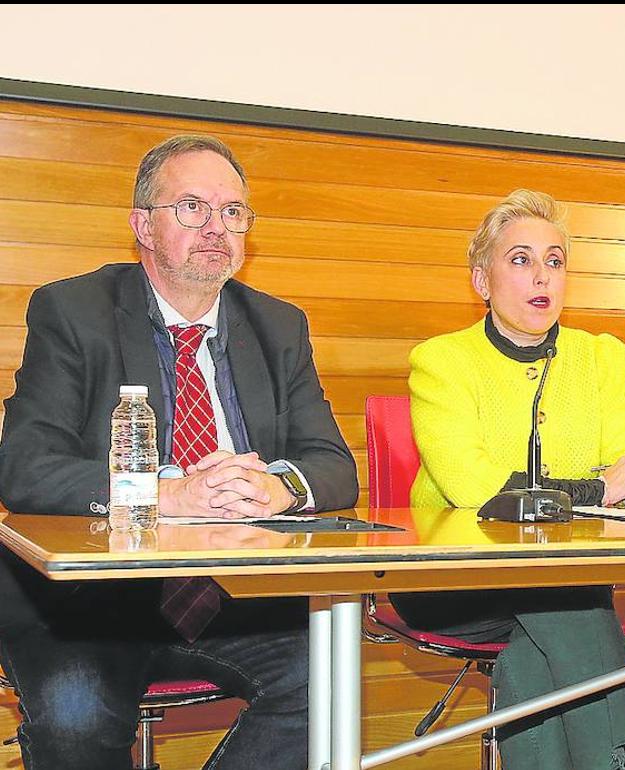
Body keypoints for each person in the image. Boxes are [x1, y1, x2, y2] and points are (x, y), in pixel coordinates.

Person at [0, 134, 359, 770]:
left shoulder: (278, 326)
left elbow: (332, 464)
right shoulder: (73, 311)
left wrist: (280, 487)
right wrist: (165, 494)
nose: (216, 227)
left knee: (328, 681)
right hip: (89, 603)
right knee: (78, 716)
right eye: (191, 206)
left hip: (230, 596)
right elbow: (25, 466)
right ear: (143, 225)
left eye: (232, 212)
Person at [388, 189, 625, 770]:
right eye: (520, 259)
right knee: (573, 607)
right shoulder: (443, 361)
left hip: (561, 574)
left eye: (554, 261)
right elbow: (477, 489)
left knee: (540, 644)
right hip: (453, 577)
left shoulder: (599, 358)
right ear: (481, 280)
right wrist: (599, 491)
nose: (542, 275)